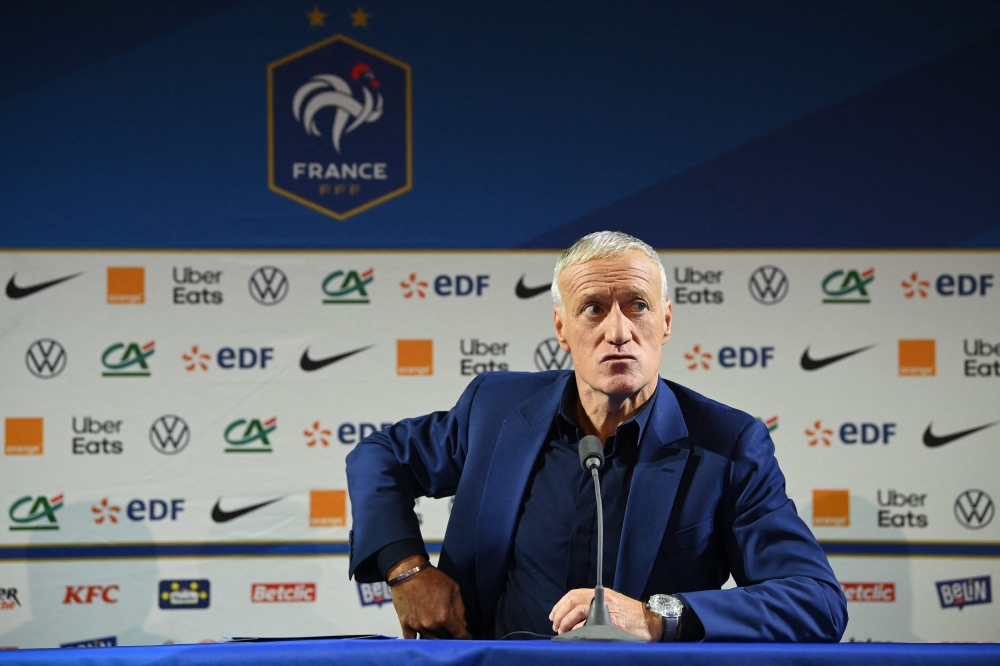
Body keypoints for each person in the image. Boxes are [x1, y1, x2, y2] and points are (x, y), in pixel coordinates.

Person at [346, 231, 847, 642]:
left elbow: (816, 602)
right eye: (593, 308)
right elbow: (380, 456)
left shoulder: (727, 444)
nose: (618, 330)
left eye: (637, 306)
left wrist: (658, 617)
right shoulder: (494, 408)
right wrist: (407, 571)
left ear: (666, 321)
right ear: (561, 328)